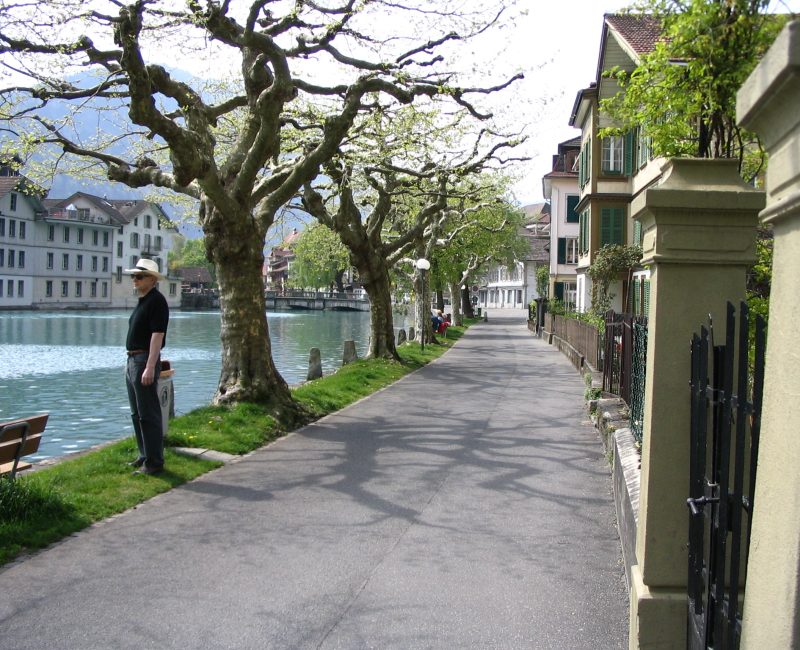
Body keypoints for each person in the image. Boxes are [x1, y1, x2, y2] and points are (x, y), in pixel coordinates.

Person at [124, 258, 169, 476]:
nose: (135, 279)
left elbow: (157, 335)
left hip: (143, 360)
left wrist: (150, 366)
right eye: (133, 276)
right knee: (136, 412)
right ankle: (145, 454)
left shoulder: (156, 301)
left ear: (152, 279)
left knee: (148, 413)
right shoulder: (144, 300)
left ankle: (154, 462)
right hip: (133, 360)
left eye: (139, 276)